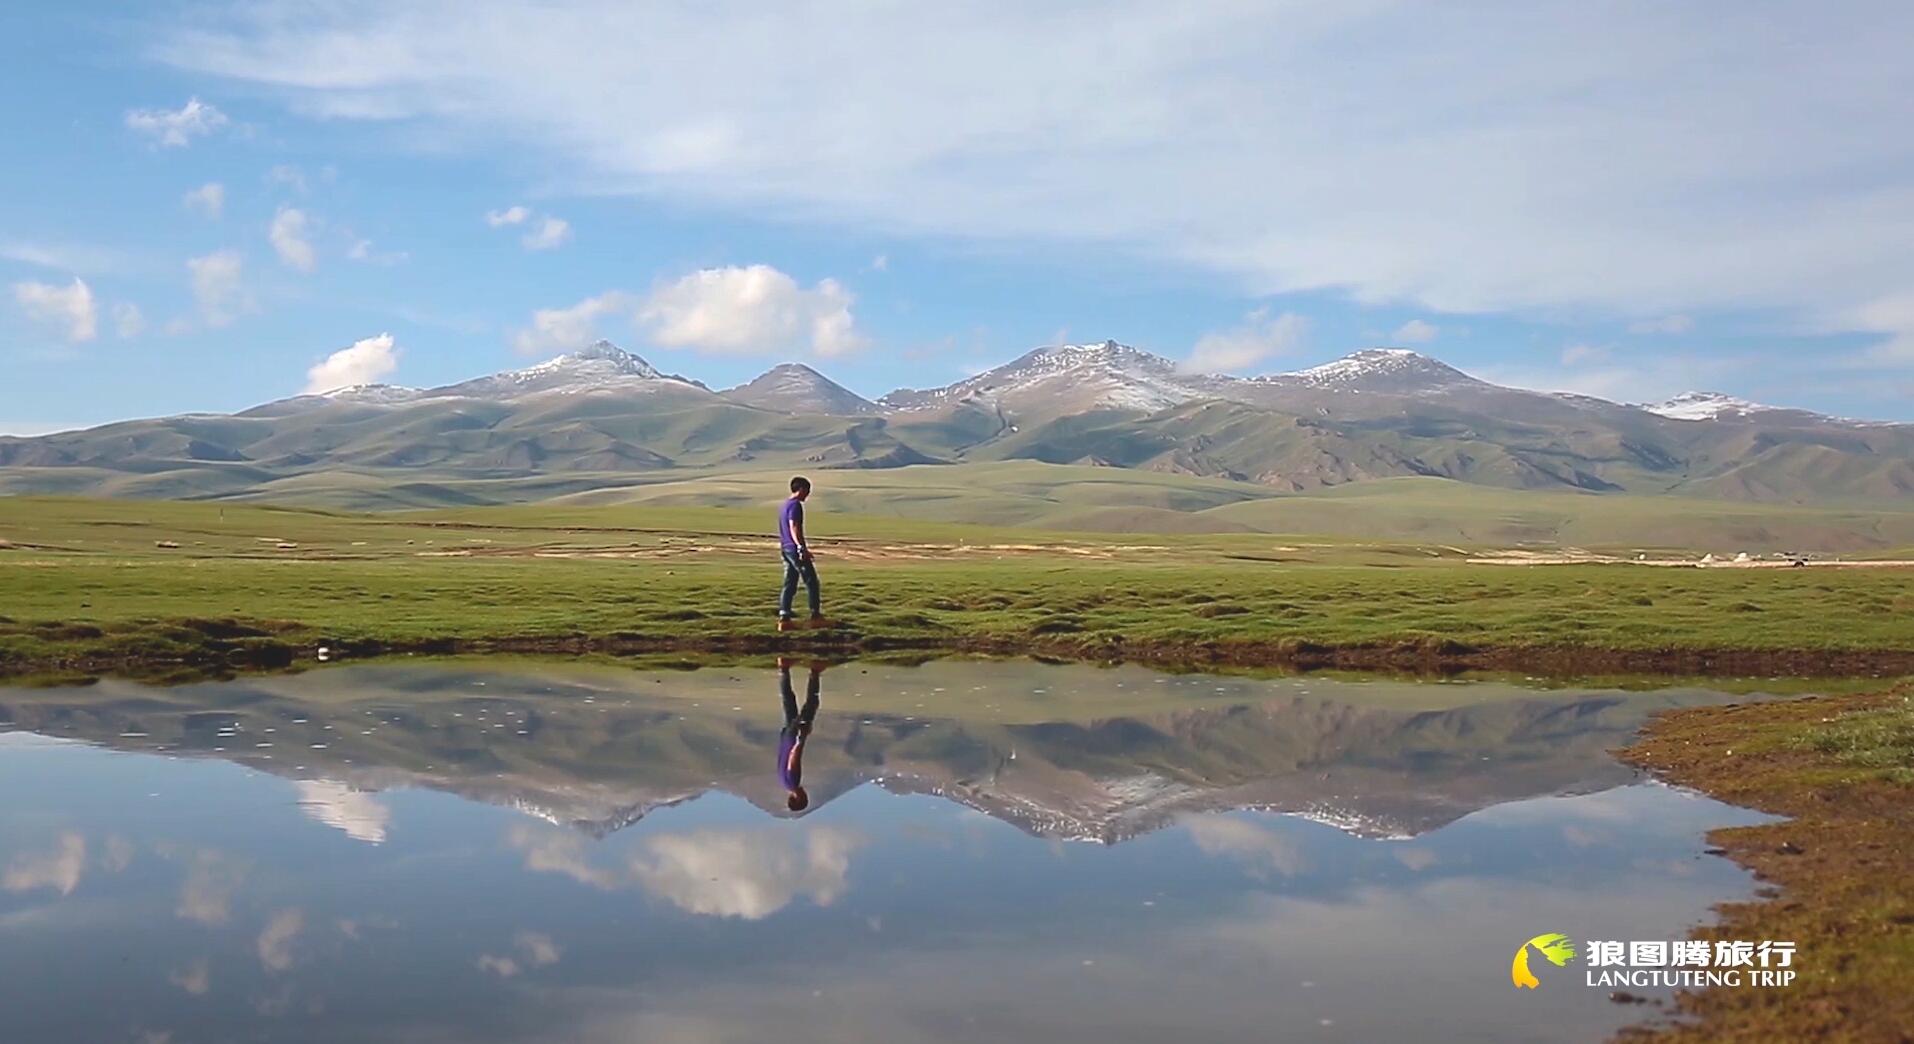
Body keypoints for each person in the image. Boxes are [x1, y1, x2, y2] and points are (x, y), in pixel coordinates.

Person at [777, 476, 826, 631]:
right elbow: (794, 526)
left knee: (790, 582)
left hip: (785, 548)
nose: (808, 495)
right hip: (794, 549)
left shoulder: (784, 505)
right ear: (802, 489)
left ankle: (784, 616)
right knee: (812, 581)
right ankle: (815, 615)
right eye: (807, 491)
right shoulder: (795, 505)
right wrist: (801, 548)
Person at [776, 656, 823, 812]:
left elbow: (793, 760)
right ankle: (783, 669)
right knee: (788, 702)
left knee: (811, 705)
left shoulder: (793, 782)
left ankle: (814, 672)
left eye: (805, 797)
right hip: (785, 737)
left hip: (793, 738)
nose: (806, 794)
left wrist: (801, 739)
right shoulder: (783, 783)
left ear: (799, 798)